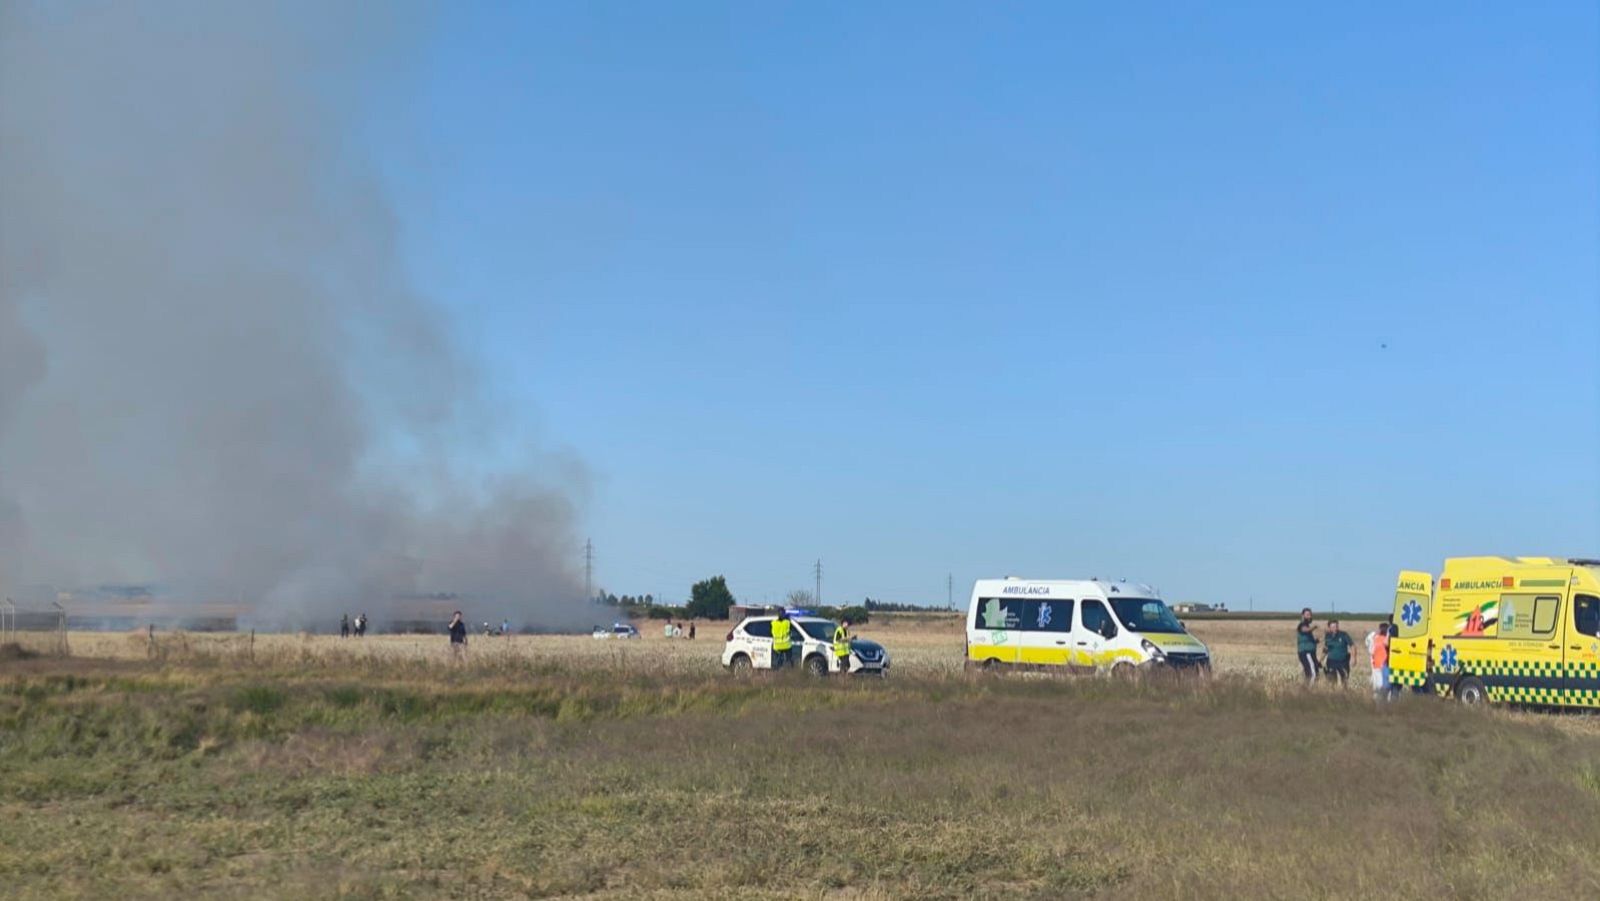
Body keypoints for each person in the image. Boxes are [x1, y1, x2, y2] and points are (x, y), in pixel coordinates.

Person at [1322, 620, 1354, 686]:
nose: (1335, 628)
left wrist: (1354, 658)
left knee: (1344, 679)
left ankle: (1344, 694)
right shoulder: (1327, 636)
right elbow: (1325, 649)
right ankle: (1333, 694)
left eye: (1336, 626)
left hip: (1343, 661)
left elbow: (1352, 646)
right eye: (1333, 627)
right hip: (1331, 661)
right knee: (1332, 681)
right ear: (1329, 628)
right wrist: (1320, 660)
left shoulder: (1343, 634)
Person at [1368, 622, 1391, 701]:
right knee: (1383, 686)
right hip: (1383, 665)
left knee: (1379, 686)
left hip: (1380, 665)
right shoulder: (1386, 639)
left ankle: (1379, 702)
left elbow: (1371, 651)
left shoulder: (1376, 638)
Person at [1296, 607, 1319, 684]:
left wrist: (1315, 641)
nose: (1310, 616)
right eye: (1307, 615)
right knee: (1312, 674)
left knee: (1313, 671)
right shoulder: (1302, 624)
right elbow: (1305, 630)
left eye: (1310, 615)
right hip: (1306, 652)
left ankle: (1306, 690)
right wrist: (1314, 627)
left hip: (1310, 652)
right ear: (1303, 615)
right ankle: (1308, 692)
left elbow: (1306, 638)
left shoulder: (1307, 625)